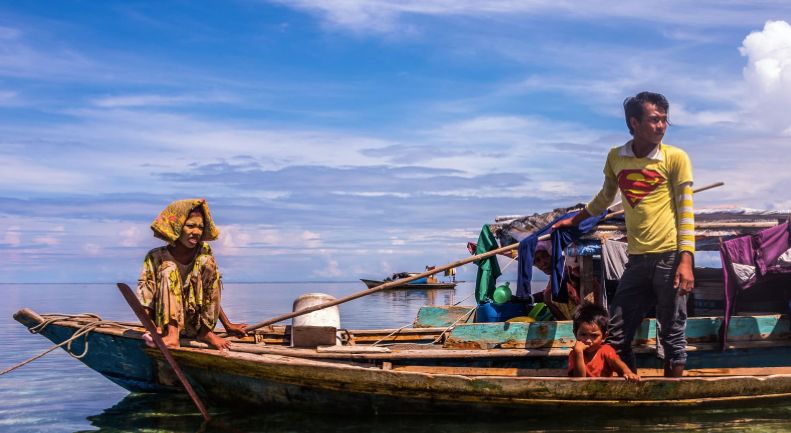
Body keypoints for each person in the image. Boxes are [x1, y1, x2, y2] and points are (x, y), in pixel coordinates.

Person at [553, 91, 694, 377]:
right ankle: (630, 385)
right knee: (616, 331)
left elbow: (686, 211)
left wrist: (686, 259)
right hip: (638, 259)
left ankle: (670, 394)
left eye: (665, 120)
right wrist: (575, 220)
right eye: (655, 119)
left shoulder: (676, 157)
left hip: (670, 257)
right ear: (634, 123)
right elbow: (604, 198)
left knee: (672, 332)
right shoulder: (617, 157)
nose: (662, 126)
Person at [136, 198, 247, 351]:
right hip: (165, 326)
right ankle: (173, 336)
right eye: (190, 226)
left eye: (200, 227)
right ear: (177, 227)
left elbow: (209, 292)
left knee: (207, 262)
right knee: (169, 268)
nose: (196, 232)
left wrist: (227, 325)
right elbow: (146, 300)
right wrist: (151, 328)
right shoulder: (156, 257)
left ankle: (205, 333)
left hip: (195, 324)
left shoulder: (203, 251)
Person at [568, 303, 639, 381]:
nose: (588, 340)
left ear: (604, 337)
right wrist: (579, 353)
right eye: (583, 334)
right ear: (575, 333)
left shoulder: (605, 350)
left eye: (594, 336)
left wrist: (627, 372)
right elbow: (579, 382)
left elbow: (617, 363)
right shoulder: (575, 353)